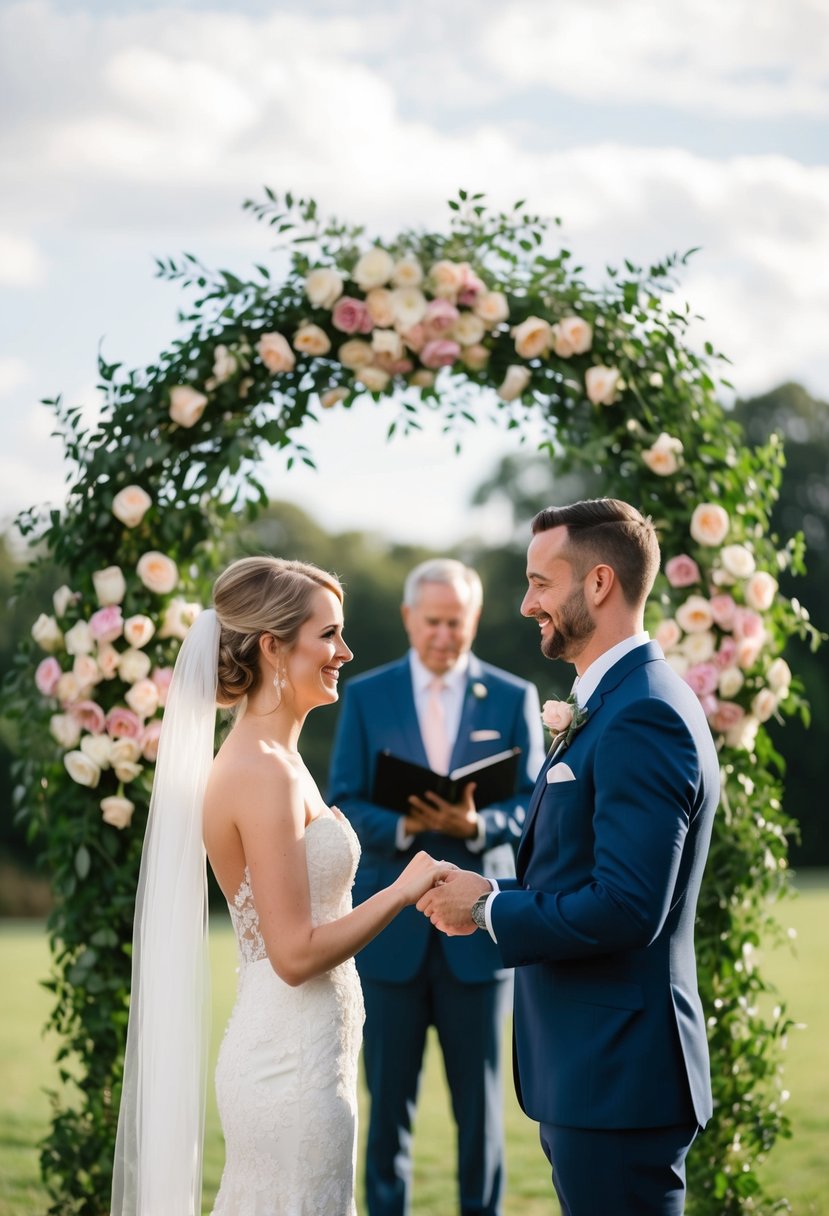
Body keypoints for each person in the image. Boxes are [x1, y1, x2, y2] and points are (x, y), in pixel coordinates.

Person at [111, 556, 453, 1216]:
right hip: (287, 1070)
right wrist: (402, 890)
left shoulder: (283, 760)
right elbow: (292, 955)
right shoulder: (258, 772)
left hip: (314, 1058)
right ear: (273, 646)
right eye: (328, 634)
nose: (344, 652)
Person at [419, 500, 720, 1216]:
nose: (526, 604)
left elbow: (625, 907)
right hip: (592, 1070)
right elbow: (577, 869)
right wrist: (485, 894)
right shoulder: (614, 700)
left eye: (539, 584)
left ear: (598, 584)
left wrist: (490, 908)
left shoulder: (641, 712)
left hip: (618, 1075)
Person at [328, 558, 546, 1216]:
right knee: (384, 1108)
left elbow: (535, 804)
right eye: (432, 622)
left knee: (480, 1114)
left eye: (456, 623)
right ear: (407, 619)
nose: (444, 636)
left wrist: (476, 822)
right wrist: (402, 825)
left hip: (480, 933)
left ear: (473, 620)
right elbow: (341, 799)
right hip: (389, 931)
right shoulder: (365, 695)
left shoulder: (513, 697)